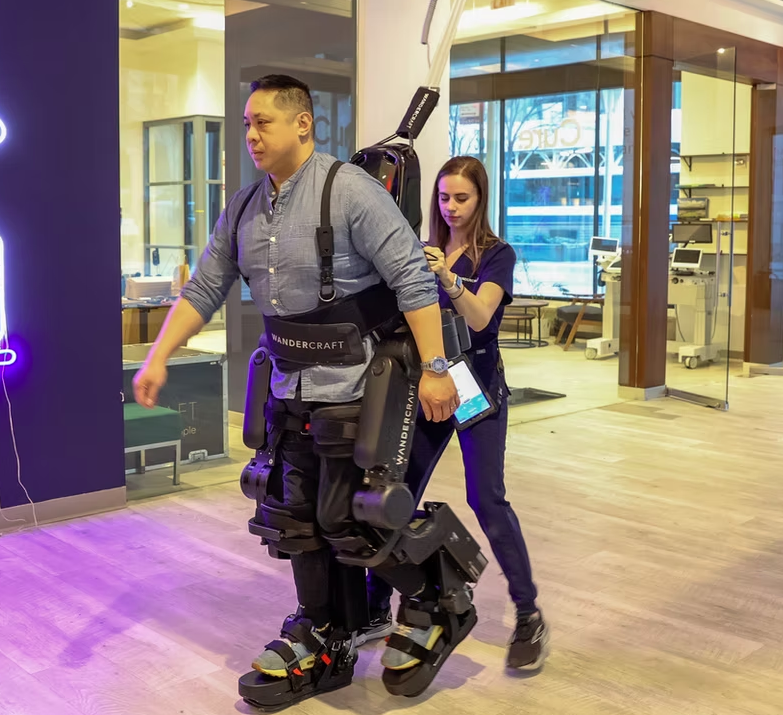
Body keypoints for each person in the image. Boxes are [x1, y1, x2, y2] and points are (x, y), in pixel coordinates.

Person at [132, 75, 482, 706]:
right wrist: (158, 356)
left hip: (362, 382)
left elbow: (411, 278)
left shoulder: (349, 192)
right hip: (289, 383)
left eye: (263, 121)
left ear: (303, 125)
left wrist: (436, 368)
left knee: (352, 521)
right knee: (292, 520)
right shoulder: (242, 207)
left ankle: (442, 592)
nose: (251, 134)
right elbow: (205, 287)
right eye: (246, 123)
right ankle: (327, 636)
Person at [358, 156, 551, 671]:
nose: (451, 207)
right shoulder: (422, 248)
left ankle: (527, 612)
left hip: (477, 387)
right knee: (395, 497)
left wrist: (447, 279)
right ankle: (378, 606)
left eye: (461, 198)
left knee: (487, 500)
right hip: (430, 383)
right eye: (444, 197)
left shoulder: (496, 254)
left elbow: (483, 316)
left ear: (480, 199)